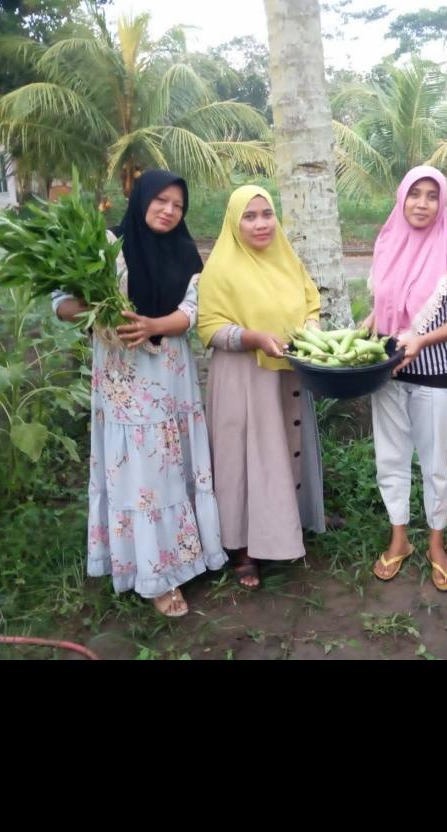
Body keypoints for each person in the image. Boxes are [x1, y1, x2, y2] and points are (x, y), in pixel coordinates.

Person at [53, 170, 225, 618]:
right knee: (143, 472)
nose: (169, 211)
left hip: (170, 373)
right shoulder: (105, 244)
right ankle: (155, 575)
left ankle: (185, 554)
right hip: (123, 375)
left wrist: (153, 325)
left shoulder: (185, 251)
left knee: (173, 463)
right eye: (161, 200)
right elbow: (60, 300)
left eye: (178, 205)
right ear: (142, 198)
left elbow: (193, 309)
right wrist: (95, 310)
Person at [197, 185, 325, 591]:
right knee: (244, 458)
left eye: (266, 214)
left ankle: (287, 526)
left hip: (288, 371)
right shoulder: (221, 267)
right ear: (234, 222)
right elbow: (209, 327)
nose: (260, 224)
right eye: (249, 216)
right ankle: (242, 549)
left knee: (284, 448)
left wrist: (310, 329)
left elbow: (310, 302)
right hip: (244, 375)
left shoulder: (286, 257)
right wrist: (252, 337)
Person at [367, 166, 447, 591]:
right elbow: (384, 300)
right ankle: (399, 539)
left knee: (435, 465)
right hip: (387, 369)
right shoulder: (386, 241)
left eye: (432, 195)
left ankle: (435, 544)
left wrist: (421, 339)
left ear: (442, 201)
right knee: (390, 458)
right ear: (402, 197)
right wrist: (371, 321)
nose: (422, 204)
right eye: (415, 194)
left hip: (434, 374)